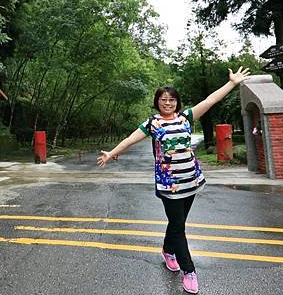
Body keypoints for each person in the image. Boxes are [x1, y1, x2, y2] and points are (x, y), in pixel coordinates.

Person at [96, 67, 250, 294]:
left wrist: (232, 83)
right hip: (169, 184)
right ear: (157, 102)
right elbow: (130, 139)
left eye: (171, 99)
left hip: (191, 179)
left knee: (178, 223)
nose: (167, 103)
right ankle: (189, 270)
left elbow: (210, 100)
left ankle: (168, 250)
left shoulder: (186, 117)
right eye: (163, 99)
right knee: (178, 226)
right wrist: (111, 153)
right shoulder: (153, 123)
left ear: (177, 102)